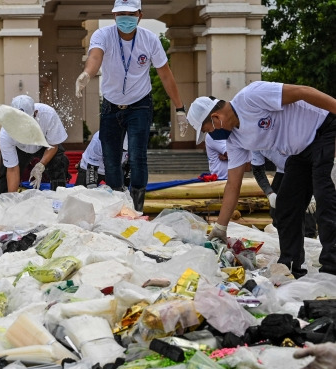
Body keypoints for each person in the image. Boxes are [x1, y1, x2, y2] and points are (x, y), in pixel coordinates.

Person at [186, 81, 336, 278]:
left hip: (324, 130)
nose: (211, 135)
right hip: (300, 152)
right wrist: (220, 228)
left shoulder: (251, 96)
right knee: (285, 207)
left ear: (215, 118)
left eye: (208, 130)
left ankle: (331, 268)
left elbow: (303, 92)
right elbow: (233, 185)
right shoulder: (235, 141)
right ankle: (291, 266)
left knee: (325, 198)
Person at [74, 0, 188, 211]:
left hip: (140, 104)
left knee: (137, 155)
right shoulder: (103, 35)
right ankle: (117, 203)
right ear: (114, 15)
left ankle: (137, 207)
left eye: (130, 13)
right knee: (111, 158)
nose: (124, 18)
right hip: (111, 105)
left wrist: (180, 109)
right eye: (120, 14)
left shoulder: (150, 40)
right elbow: (95, 56)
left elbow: (165, 74)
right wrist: (87, 74)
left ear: (139, 15)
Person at [0, 95, 69, 202]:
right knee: (5, 180)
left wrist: (41, 165)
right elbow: (12, 169)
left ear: (35, 113)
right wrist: (11, 199)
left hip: (44, 145)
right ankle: (1, 204)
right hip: (20, 148)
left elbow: (54, 145)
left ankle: (59, 200)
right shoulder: (6, 133)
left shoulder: (48, 115)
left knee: (59, 162)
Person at [251, 150, 317, 238]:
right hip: (282, 170)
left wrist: (311, 189)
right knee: (277, 214)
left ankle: (308, 238)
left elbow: (315, 159)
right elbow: (257, 170)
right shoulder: (253, 143)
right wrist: (269, 193)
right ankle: (282, 239)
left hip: (306, 169)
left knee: (306, 214)